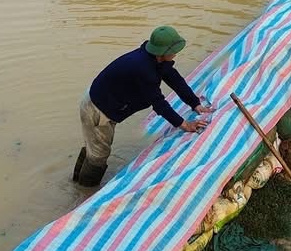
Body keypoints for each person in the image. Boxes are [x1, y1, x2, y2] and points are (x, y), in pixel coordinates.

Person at [73, 26, 213, 186]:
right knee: (99, 155)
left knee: (93, 148)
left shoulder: (155, 59)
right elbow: (158, 103)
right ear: (161, 53)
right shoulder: (143, 69)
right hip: (97, 109)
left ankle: (75, 184)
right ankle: (85, 191)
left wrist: (195, 103)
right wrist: (185, 125)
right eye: (173, 51)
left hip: (101, 101)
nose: (176, 54)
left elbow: (174, 79)